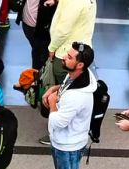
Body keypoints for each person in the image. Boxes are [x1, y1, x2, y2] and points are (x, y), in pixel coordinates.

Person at [43, 42, 96, 169]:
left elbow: (58, 121)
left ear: (80, 65)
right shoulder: (79, 76)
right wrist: (55, 89)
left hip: (67, 147)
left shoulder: (76, 97)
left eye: (70, 57)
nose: (65, 57)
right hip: (73, 143)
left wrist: (53, 102)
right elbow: (64, 85)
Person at [38, 0, 96, 146]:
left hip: (66, 50)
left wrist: (52, 48)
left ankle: (57, 132)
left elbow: (63, 29)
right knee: (67, 86)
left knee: (62, 96)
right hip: (79, 49)